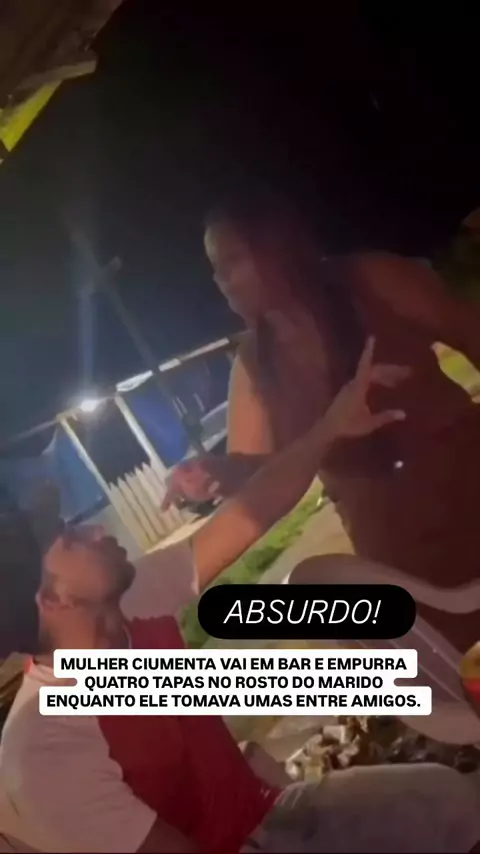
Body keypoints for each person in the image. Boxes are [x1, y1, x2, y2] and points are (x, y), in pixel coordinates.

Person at [1, 346, 480, 853]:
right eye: (72, 539)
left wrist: (332, 424)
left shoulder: (131, 600)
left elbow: (253, 510)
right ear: (53, 598)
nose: (98, 530)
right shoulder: (49, 749)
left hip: (267, 813)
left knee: (447, 802)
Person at [164, 192, 480, 654]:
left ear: (275, 247)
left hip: (468, 481)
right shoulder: (254, 363)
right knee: (458, 669)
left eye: (231, 261)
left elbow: (470, 332)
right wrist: (213, 473)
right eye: (215, 269)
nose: (221, 281)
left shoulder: (372, 280)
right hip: (398, 554)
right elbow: (259, 471)